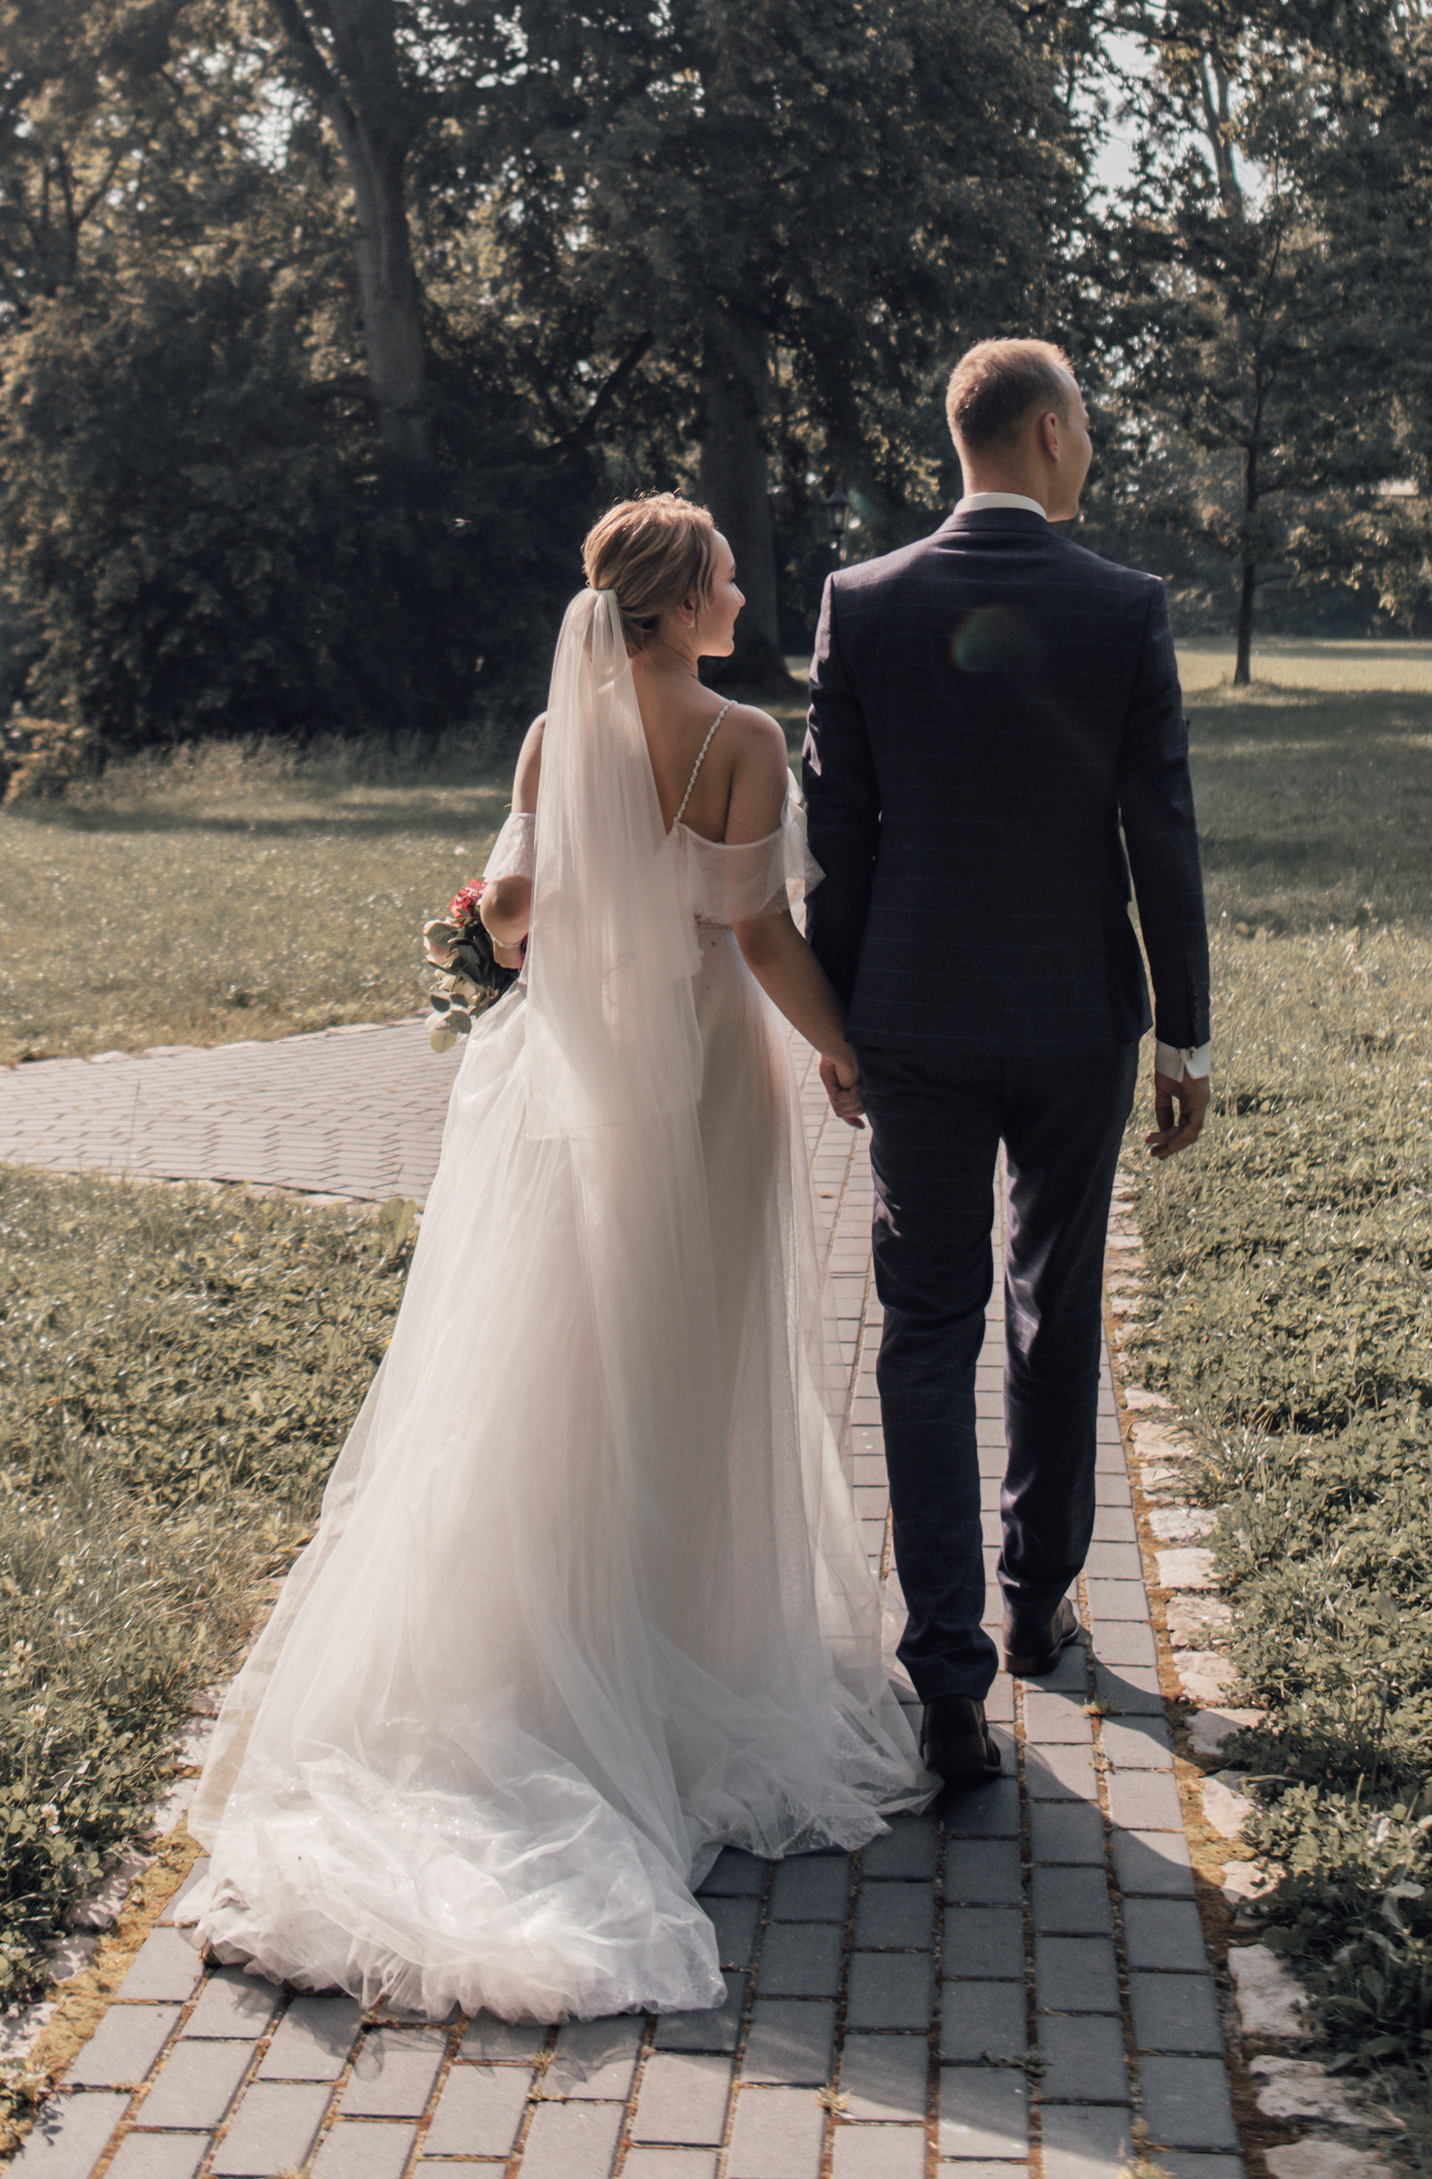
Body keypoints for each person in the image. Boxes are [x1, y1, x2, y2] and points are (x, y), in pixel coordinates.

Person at [181, 497, 929, 2021]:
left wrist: (505, 935)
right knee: (691, 1365)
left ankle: (546, 1661)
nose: (739, 587)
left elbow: (511, 918)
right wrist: (844, 1053)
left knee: (556, 1366)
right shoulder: (738, 742)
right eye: (722, 572)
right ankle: (673, 1664)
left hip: (573, 1094)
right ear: (677, 603)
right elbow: (760, 939)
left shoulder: (547, 735)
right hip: (706, 1088)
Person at [802, 336, 1212, 1794]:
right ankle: (1039, 1601)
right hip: (1075, 1018)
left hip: (913, 1019)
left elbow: (839, 846)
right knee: (1055, 1299)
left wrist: (841, 1021)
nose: (1091, 448)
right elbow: (1156, 832)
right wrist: (1188, 1029)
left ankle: (950, 1680)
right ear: (1043, 434)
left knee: (925, 1329)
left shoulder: (865, 603)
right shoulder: (1124, 608)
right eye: (1086, 424)